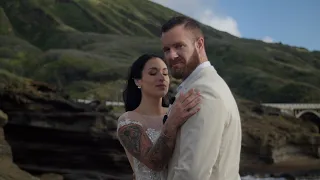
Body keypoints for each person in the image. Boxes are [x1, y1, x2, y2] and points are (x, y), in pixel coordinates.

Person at [160, 16, 242, 180]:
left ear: (199, 44)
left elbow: (192, 174)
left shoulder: (204, 92)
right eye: (167, 49)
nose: (172, 55)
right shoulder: (197, 86)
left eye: (179, 46)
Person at [116, 54, 201, 180]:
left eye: (165, 73)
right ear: (138, 81)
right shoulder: (128, 120)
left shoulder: (177, 112)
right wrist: (171, 123)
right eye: (153, 73)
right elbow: (155, 163)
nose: (161, 78)